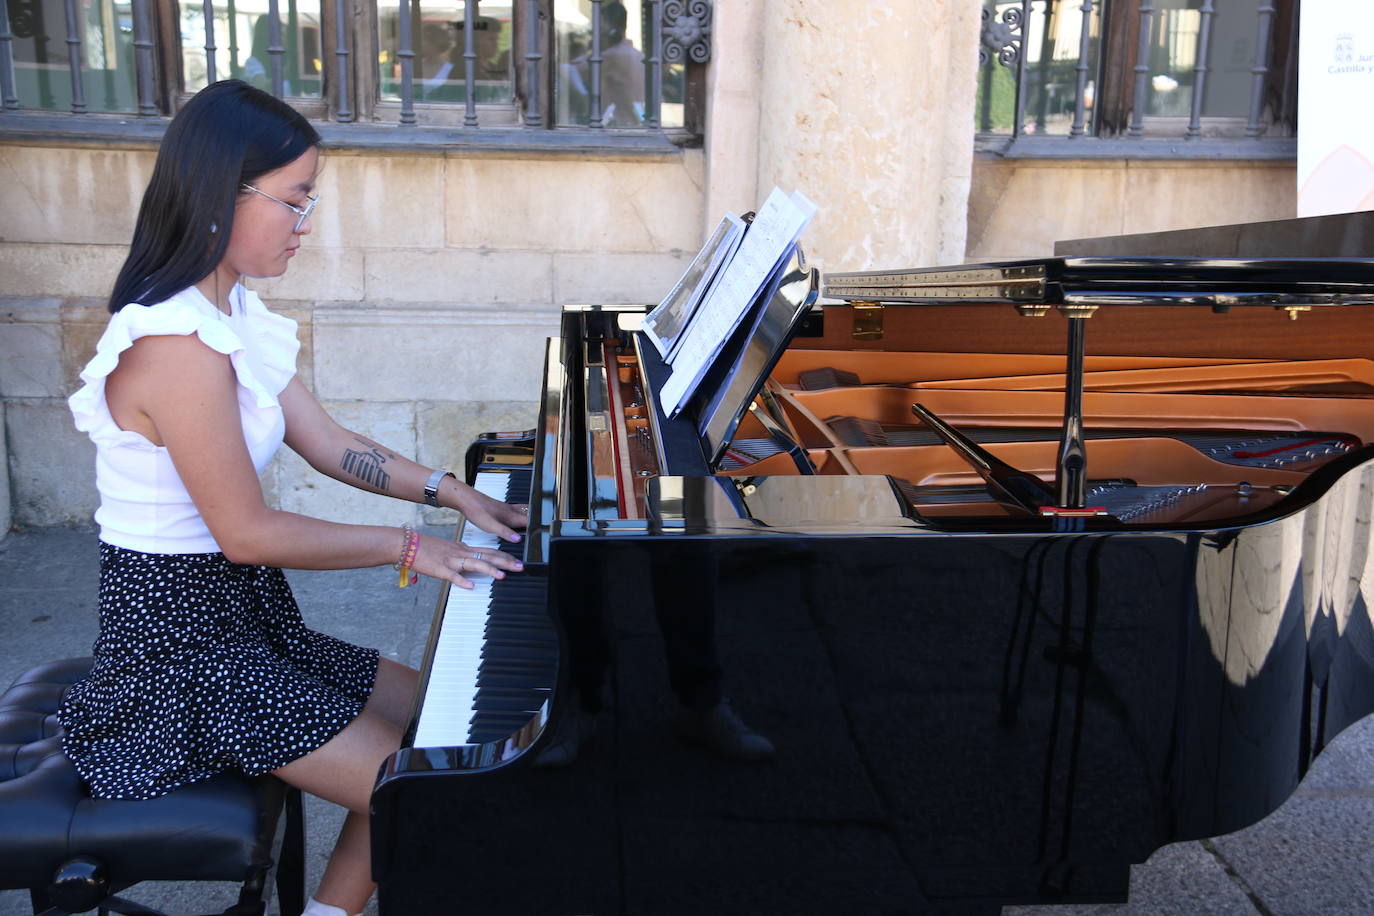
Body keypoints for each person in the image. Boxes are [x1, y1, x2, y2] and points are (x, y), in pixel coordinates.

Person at [56, 79, 527, 916]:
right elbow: (246, 531)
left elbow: (328, 440)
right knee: (415, 786)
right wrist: (412, 548)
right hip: (178, 655)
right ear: (221, 194)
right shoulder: (174, 345)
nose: (305, 227)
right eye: (295, 202)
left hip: (242, 622)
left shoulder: (231, 312)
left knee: (451, 716)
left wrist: (455, 493)